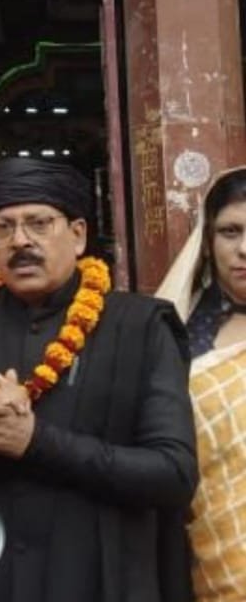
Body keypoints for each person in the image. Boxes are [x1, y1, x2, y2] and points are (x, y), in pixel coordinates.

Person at [0, 156, 197, 602]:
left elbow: (172, 473)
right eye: (2, 228)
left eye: (39, 223)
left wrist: (36, 441)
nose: (20, 240)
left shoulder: (141, 326)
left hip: (103, 577)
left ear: (78, 235)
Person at [158, 166, 246, 601]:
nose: (245, 249)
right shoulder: (179, 338)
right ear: (207, 244)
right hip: (215, 571)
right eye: (231, 232)